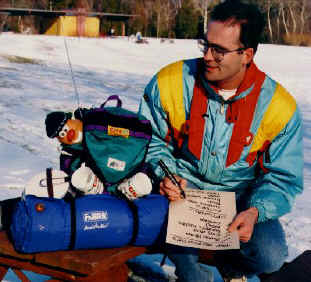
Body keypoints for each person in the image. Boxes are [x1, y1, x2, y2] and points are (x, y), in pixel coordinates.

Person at [138, 1, 303, 281]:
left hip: (240, 199)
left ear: (246, 55)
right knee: (188, 266)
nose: (208, 56)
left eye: (220, 50)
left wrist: (256, 210)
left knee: (271, 255)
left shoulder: (279, 106)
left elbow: (282, 178)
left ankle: (232, 265)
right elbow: (149, 140)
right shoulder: (171, 82)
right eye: (205, 44)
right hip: (181, 194)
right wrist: (166, 174)